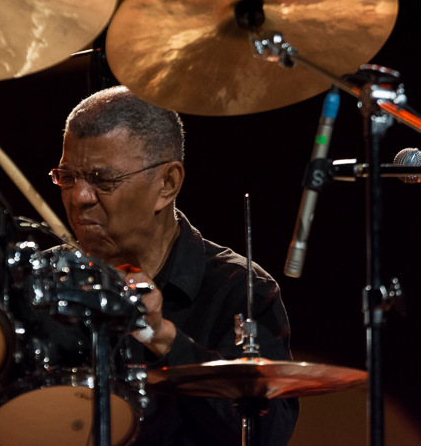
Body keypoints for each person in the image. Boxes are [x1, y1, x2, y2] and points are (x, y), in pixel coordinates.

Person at [49, 86, 299, 445]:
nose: (79, 197)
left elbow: (266, 434)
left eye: (102, 180)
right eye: (68, 177)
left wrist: (163, 337)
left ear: (167, 184)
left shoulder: (239, 289)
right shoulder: (46, 278)